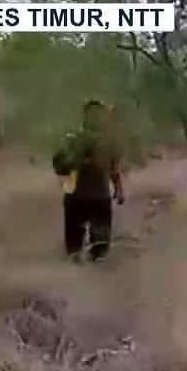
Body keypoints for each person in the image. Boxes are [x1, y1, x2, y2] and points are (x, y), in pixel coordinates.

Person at [52, 100, 125, 262]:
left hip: (84, 193)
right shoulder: (101, 140)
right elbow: (114, 168)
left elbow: (113, 167)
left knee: (84, 244)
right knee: (92, 245)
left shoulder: (77, 138)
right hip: (90, 194)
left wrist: (118, 188)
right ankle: (87, 263)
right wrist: (119, 189)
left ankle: (84, 262)